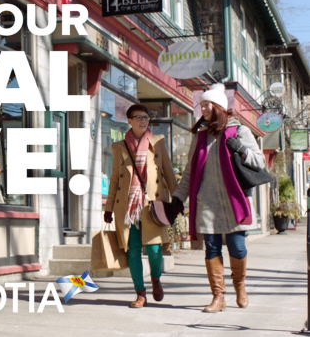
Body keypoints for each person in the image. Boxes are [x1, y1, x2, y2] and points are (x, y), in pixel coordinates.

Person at [172, 83, 265, 312]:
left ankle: (240, 286)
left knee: (237, 248)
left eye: (207, 104)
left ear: (219, 107)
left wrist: (241, 150)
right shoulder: (200, 136)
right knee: (211, 249)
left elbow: (260, 161)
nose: (202, 108)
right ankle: (218, 297)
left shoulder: (239, 131)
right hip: (206, 200)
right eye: (201, 104)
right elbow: (190, 171)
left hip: (233, 200)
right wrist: (178, 197)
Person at [104, 104, 178, 308]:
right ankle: (140, 293)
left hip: (152, 205)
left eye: (145, 117)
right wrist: (109, 208)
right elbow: (114, 180)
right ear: (129, 120)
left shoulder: (158, 142)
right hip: (128, 208)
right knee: (133, 250)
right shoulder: (119, 147)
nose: (143, 120)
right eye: (138, 117)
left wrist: (179, 199)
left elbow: (168, 172)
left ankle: (155, 278)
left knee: (154, 250)